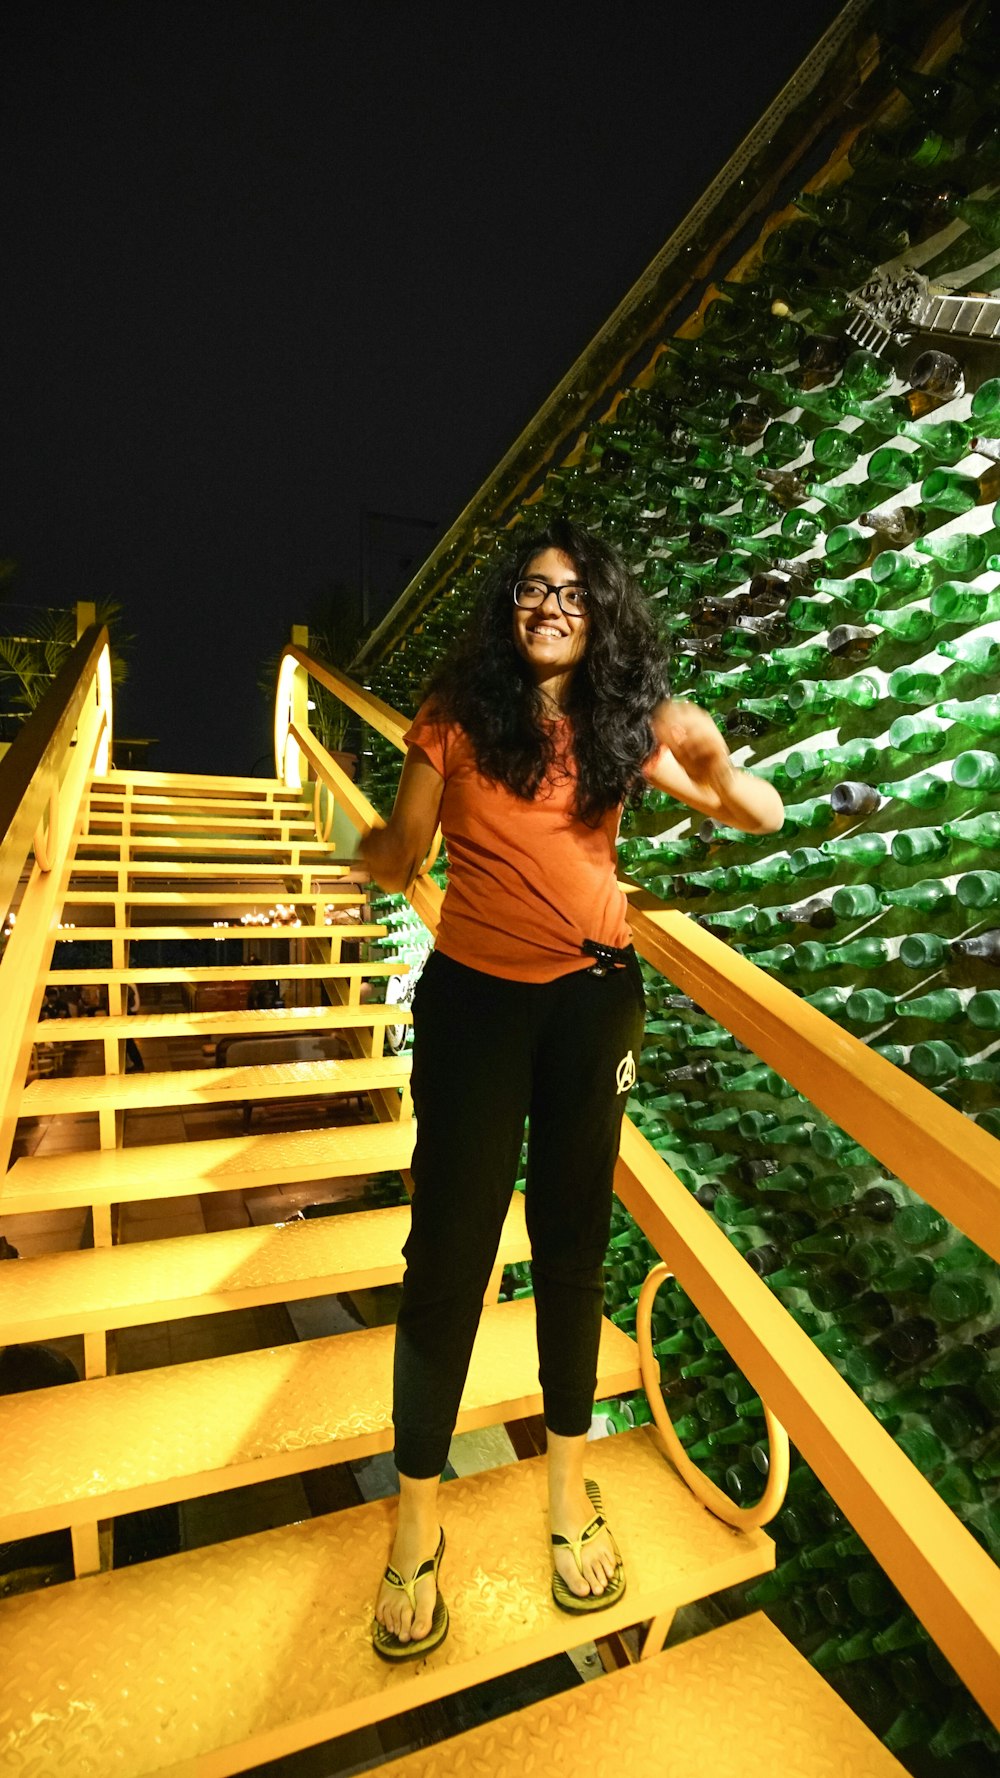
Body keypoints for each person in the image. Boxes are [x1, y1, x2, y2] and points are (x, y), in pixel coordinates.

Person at [361, 519, 783, 1661]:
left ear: (599, 615)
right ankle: (414, 1522)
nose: (549, 606)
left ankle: (563, 1486)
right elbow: (402, 851)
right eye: (533, 589)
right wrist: (373, 852)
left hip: (594, 1003)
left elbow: (763, 817)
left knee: (572, 1242)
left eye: (573, 594)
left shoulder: (617, 725)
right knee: (446, 1255)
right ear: (510, 605)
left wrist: (718, 767)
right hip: (475, 1007)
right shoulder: (452, 717)